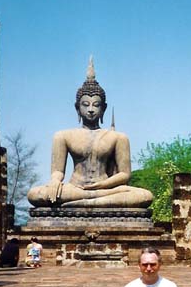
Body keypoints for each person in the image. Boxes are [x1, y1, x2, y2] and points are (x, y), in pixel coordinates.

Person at [27, 57, 153, 208]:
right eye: (85, 105)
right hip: (74, 188)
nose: (91, 109)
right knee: (34, 194)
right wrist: (55, 182)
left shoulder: (118, 137)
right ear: (77, 107)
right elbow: (57, 171)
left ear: (103, 108)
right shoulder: (63, 136)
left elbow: (125, 174)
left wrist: (102, 185)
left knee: (144, 196)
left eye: (96, 105)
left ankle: (86, 201)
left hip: (106, 189)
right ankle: (92, 200)